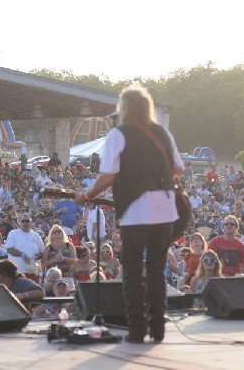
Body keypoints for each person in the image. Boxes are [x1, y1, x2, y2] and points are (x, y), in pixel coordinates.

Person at [74, 85, 184, 344]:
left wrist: (87, 196)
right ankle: (158, 330)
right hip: (166, 210)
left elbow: (108, 176)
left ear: (123, 108)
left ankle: (137, 330)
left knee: (133, 271)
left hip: (136, 211)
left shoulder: (118, 134)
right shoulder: (163, 132)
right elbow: (178, 169)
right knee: (157, 271)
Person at [4, 212, 44, 283]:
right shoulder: (13, 233)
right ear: (19, 223)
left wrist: (38, 255)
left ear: (31, 223)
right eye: (23, 221)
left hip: (33, 272)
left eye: (27, 221)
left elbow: (42, 251)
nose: (25, 223)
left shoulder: (36, 235)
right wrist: (23, 255)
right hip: (17, 272)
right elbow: (9, 249)